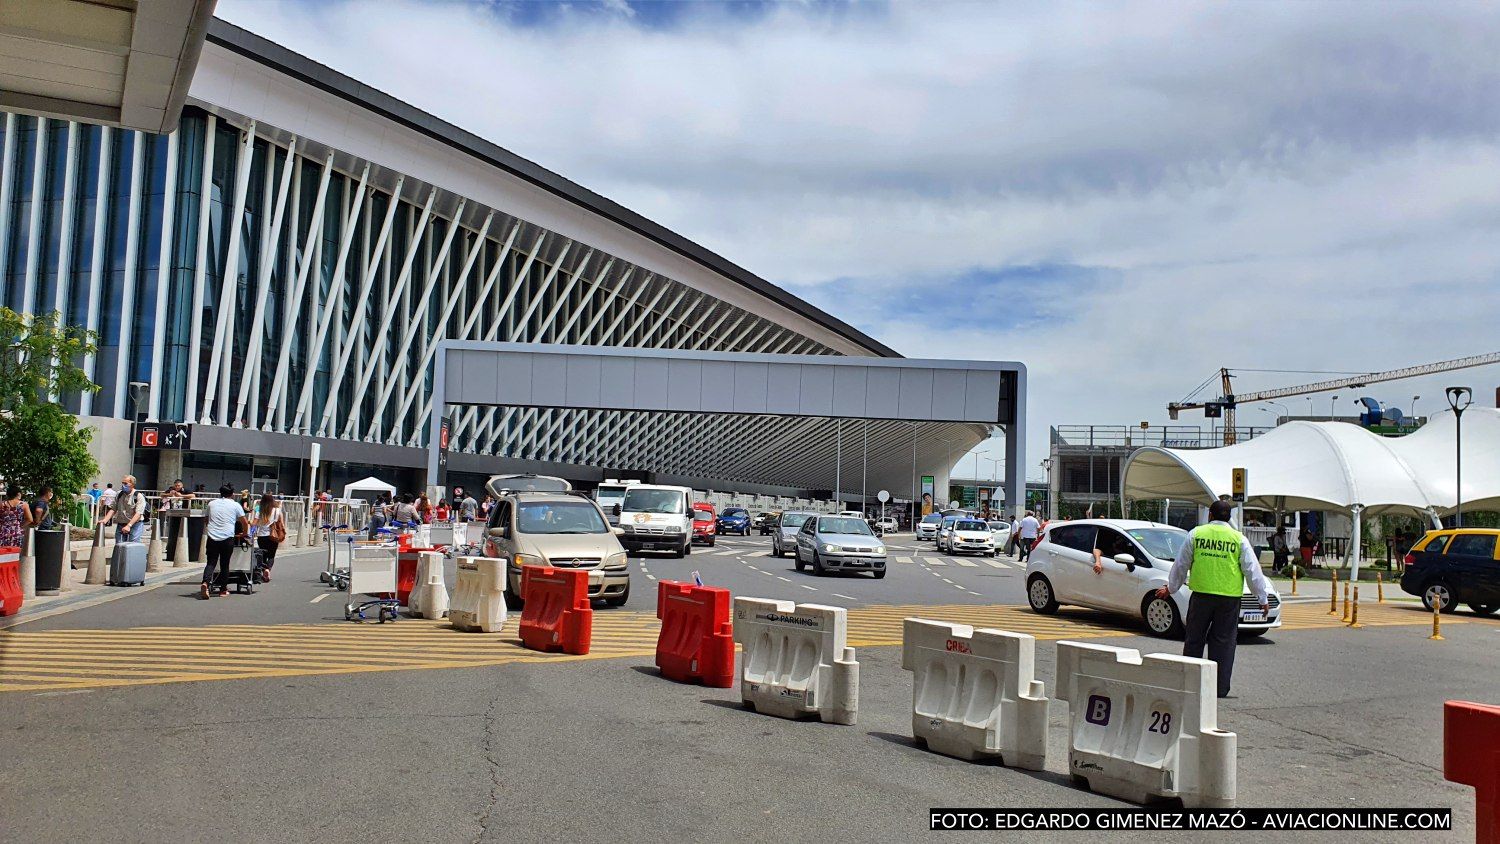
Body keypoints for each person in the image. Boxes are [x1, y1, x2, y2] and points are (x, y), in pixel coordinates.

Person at [1157, 499, 1270, 699]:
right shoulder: (1238, 539)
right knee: (1224, 643)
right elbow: (1253, 570)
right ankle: (1219, 688)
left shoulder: (1196, 534)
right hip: (1229, 599)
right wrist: (1262, 598)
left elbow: (1181, 564)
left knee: (1194, 640)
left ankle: (1190, 683)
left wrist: (1171, 588)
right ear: (1230, 518)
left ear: (1210, 515)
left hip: (1201, 596)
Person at [201, 484, 246, 599]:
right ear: (232, 494)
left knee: (211, 562)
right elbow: (244, 521)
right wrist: (244, 533)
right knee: (225, 564)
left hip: (212, 536)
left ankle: (205, 582)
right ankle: (223, 590)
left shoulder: (211, 503)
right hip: (227, 537)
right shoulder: (235, 505)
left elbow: (206, 519)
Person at [100, 475, 147, 543]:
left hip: (135, 524)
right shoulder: (119, 494)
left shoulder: (138, 496)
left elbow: (138, 514)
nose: (123, 485)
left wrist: (129, 525)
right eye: (122, 483)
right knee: (119, 545)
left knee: (132, 545)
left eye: (125, 483)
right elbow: (113, 509)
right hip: (121, 523)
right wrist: (105, 520)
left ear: (132, 484)